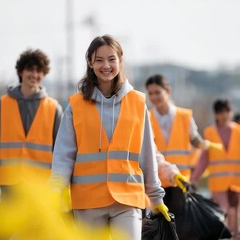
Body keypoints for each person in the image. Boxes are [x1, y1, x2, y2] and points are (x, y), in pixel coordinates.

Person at [49, 35, 169, 240]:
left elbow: (147, 153)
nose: (106, 65)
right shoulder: (75, 106)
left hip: (127, 200)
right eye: (99, 60)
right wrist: (54, 192)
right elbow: (63, 155)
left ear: (120, 61)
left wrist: (156, 197)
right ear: (90, 63)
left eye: (111, 59)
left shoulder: (138, 103)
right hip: (88, 202)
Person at [0, 49, 63, 201]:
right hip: (10, 185)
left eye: (39, 71)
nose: (34, 75)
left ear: (43, 75)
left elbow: (61, 152)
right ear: (21, 72)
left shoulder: (54, 108)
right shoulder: (2, 106)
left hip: (41, 187)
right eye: (30, 69)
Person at [145, 74, 221, 212]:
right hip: (157, 179)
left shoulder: (184, 116)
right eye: (150, 93)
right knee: (160, 222)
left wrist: (205, 144)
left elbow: (195, 140)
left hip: (180, 178)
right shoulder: (147, 118)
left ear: (167, 91)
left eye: (157, 92)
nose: (154, 97)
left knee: (180, 222)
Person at [190, 99, 240, 239]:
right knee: (222, 212)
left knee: (235, 213)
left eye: (227, 111)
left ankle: (234, 237)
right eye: (221, 112)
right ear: (216, 114)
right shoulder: (210, 133)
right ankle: (224, 237)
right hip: (219, 182)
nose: (224, 115)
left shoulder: (239, 131)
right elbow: (204, 158)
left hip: (237, 181)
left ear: (231, 112)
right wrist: (194, 179)